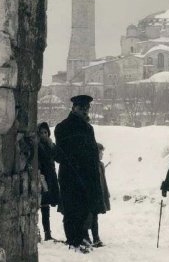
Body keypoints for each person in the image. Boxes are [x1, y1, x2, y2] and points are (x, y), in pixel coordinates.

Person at [55, 95, 105, 253]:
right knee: (72, 211)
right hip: (71, 177)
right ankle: (74, 242)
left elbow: (92, 155)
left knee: (85, 211)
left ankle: (82, 240)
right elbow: (61, 155)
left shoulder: (88, 128)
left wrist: (94, 177)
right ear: (73, 108)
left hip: (87, 178)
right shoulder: (62, 127)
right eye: (81, 108)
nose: (84, 111)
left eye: (86, 108)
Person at [37, 122, 60, 242]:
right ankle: (41, 232)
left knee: (46, 206)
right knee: (42, 205)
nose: (43, 135)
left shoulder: (50, 144)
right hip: (42, 176)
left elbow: (57, 157)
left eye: (45, 132)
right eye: (41, 132)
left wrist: (51, 145)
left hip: (51, 176)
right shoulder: (37, 146)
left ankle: (47, 233)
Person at [88, 143, 110, 247]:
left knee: (95, 216)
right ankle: (91, 238)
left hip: (99, 193)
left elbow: (103, 181)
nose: (102, 154)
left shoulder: (100, 165)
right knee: (91, 216)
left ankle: (96, 238)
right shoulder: (91, 165)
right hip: (92, 194)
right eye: (101, 152)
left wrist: (106, 193)